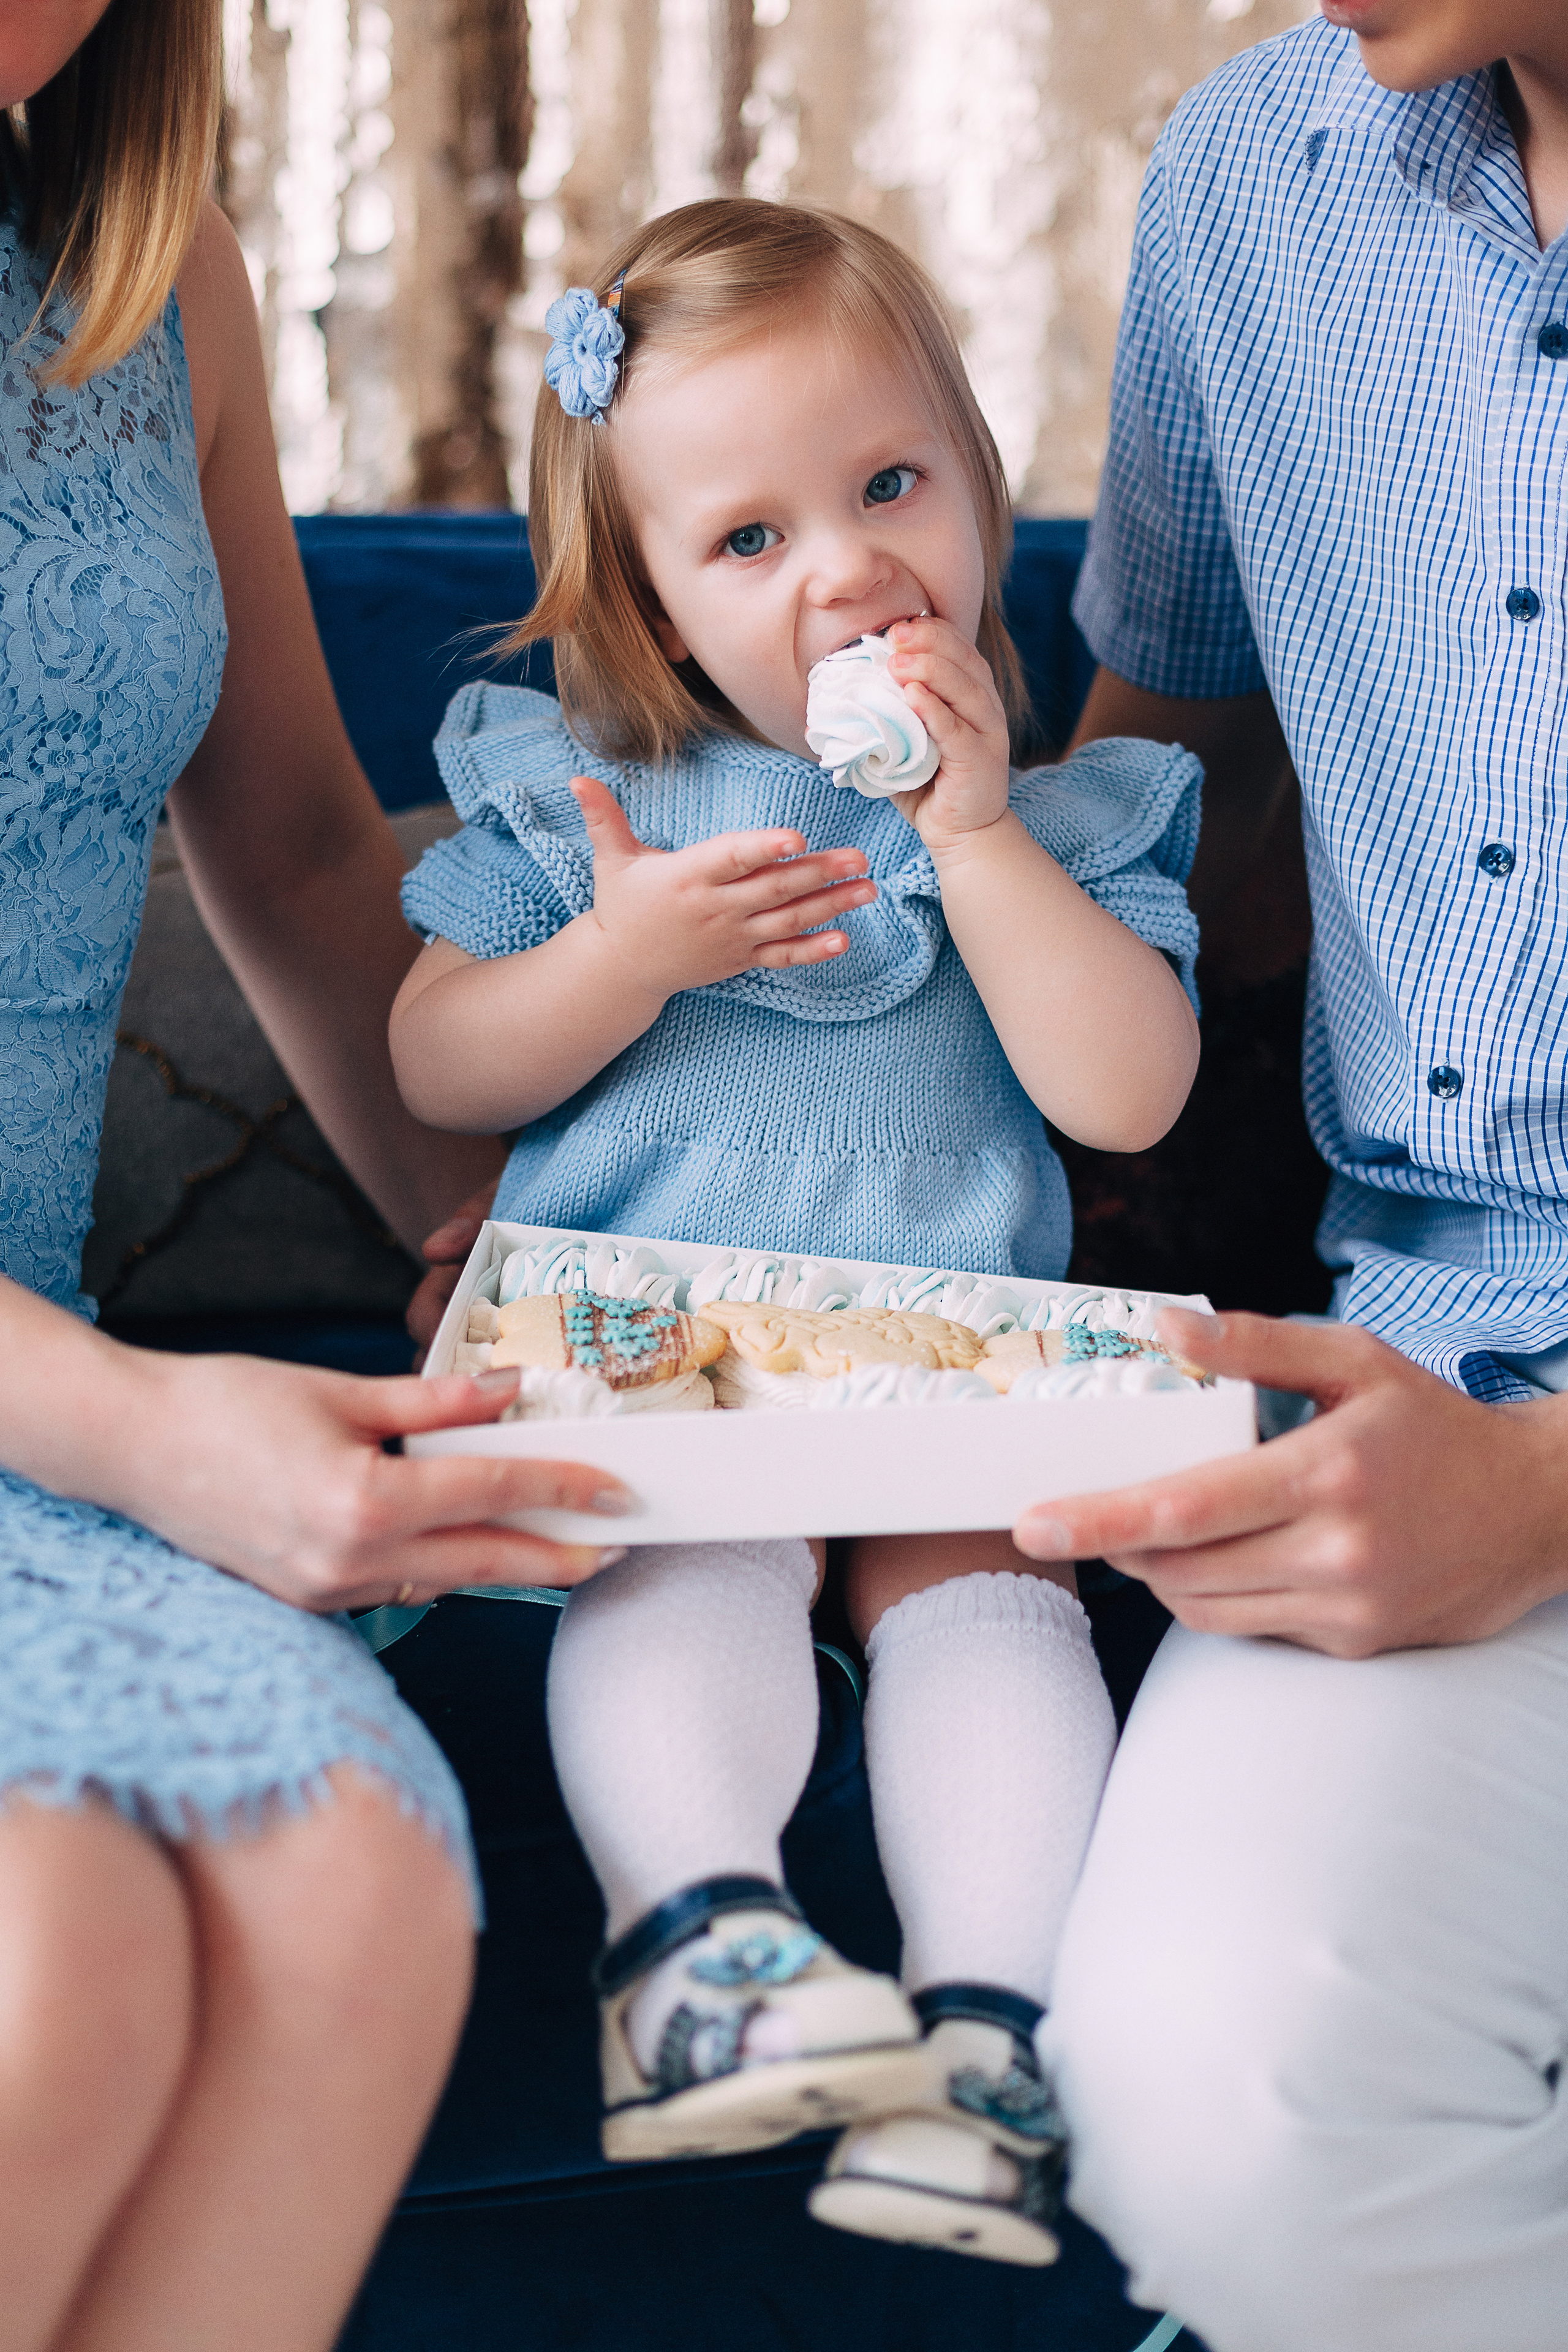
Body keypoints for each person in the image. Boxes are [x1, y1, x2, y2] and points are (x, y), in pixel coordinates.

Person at [389, 195, 1202, 2267]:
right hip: (661, 1348)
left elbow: (1128, 1094)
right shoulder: (589, 805)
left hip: (949, 1345)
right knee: (697, 1552)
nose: (846, 568)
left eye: (892, 485)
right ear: (660, 615)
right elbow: (438, 1063)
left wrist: (983, 840)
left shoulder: (1057, 815)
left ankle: (988, 2041)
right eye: (750, 539)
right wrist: (613, 963)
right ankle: (700, 1945)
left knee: (992, 1596)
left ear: (981, 490)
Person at [0, 6, 630, 2346]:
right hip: (71, 1413)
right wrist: (151, 1431)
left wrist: (540, 1254)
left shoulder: (149, 275)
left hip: (36, 1415)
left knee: (347, 1881)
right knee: (51, 1973)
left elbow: (287, 844)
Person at [1005, 6, 1568, 2347]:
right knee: (1212, 2121)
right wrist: (788, 1211)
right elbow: (1175, 794)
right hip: (1434, 1363)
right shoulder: (1257, 180)